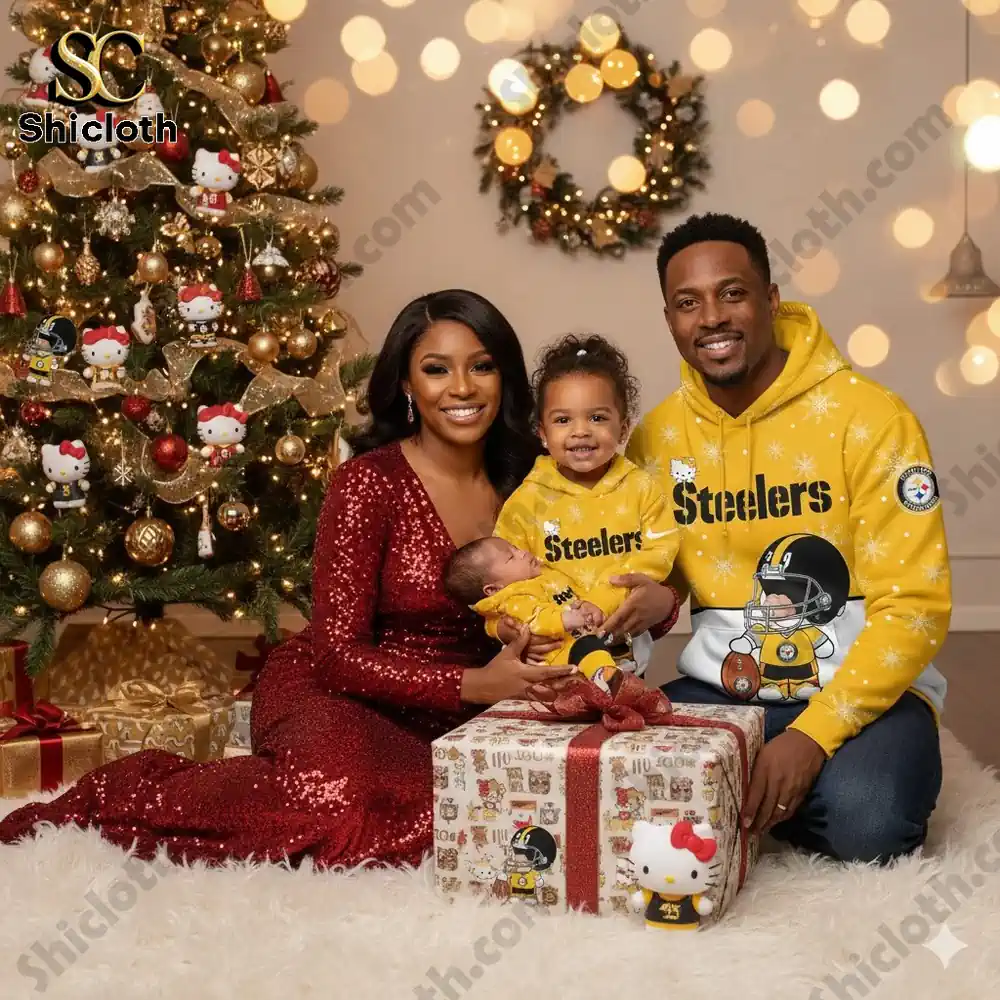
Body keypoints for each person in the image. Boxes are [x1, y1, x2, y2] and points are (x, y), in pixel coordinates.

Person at [0, 289, 576, 868]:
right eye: (436, 369)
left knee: (476, 814)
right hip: (344, 692)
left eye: (482, 366)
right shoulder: (368, 484)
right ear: (404, 384)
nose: (462, 387)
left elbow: (604, 560)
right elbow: (338, 655)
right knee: (339, 811)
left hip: (475, 708)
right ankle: (131, 790)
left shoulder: (536, 482)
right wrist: (471, 685)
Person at [626, 212, 951, 865]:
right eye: (688, 303)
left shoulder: (873, 417)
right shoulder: (656, 439)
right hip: (723, 687)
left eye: (733, 293)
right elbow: (663, 577)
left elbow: (916, 608)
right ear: (669, 320)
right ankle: (758, 793)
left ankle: (778, 790)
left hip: (863, 694)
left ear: (771, 300)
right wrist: (642, 604)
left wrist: (814, 737)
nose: (711, 317)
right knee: (623, 786)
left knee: (870, 824)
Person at [472, 334, 681, 691]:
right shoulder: (528, 501)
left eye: (597, 417)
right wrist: (503, 626)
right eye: (563, 420)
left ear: (624, 427)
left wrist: (605, 599)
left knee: (623, 732)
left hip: (624, 654)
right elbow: (502, 577)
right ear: (542, 432)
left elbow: (661, 550)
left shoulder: (640, 489)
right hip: (553, 664)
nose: (581, 431)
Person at [444, 535, 619, 691]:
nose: (523, 553)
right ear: (493, 589)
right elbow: (534, 619)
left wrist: (588, 604)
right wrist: (564, 619)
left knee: (593, 648)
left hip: (578, 637)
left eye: (516, 548)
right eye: (511, 557)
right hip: (559, 652)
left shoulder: (543, 578)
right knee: (588, 649)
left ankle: (607, 679)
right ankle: (605, 680)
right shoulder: (512, 598)